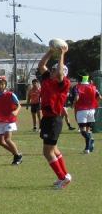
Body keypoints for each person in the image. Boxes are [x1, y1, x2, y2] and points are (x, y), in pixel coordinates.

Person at [37, 44, 72, 189]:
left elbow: (60, 74)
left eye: (54, 70)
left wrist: (62, 54)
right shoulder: (48, 79)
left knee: (47, 152)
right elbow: (41, 65)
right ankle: (65, 175)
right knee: (54, 149)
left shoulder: (63, 83)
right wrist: (50, 52)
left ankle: (62, 178)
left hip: (53, 119)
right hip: (48, 119)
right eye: (52, 70)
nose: (51, 71)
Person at [0, 77, 23, 164]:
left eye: (1, 84)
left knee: (7, 139)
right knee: (0, 142)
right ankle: (17, 154)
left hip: (9, 120)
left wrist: (16, 111)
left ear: (5, 85)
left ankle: (17, 158)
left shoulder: (10, 95)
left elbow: (19, 105)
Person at [73, 75, 100, 153]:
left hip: (82, 111)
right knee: (87, 130)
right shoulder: (93, 87)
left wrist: (74, 103)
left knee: (83, 131)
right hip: (91, 110)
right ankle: (87, 148)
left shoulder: (77, 87)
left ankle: (90, 140)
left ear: (80, 81)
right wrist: (94, 104)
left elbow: (77, 97)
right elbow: (99, 97)